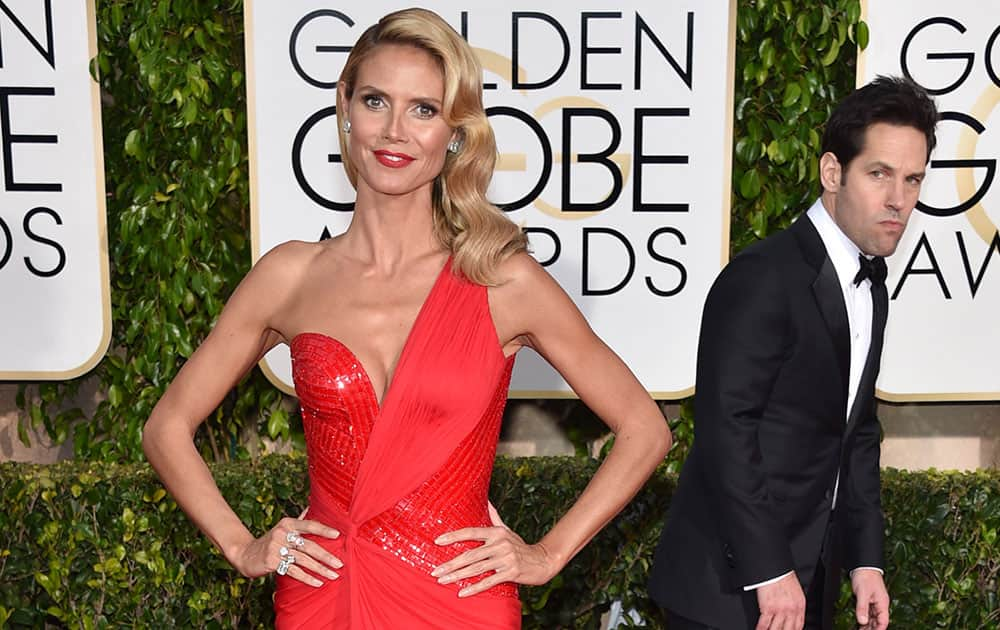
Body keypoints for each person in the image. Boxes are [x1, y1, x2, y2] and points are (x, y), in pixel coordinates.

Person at [142, 8, 671, 629]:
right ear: (345, 105)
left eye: (423, 109)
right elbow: (166, 426)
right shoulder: (289, 277)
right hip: (324, 598)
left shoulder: (501, 280)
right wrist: (241, 544)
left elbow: (644, 429)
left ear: (454, 132)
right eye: (376, 101)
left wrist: (547, 554)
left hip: (460, 603)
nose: (395, 131)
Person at [647, 76, 938, 630]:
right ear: (833, 172)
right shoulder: (762, 278)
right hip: (730, 590)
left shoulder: (871, 285)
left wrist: (865, 560)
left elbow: (855, 434)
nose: (898, 199)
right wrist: (770, 570)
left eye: (912, 179)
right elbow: (724, 431)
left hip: (811, 580)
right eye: (879, 174)